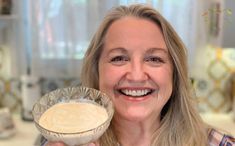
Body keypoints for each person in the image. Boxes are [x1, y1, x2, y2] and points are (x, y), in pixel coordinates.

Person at [46, 4, 235, 146]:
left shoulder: (219, 143)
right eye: (119, 58)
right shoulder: (61, 142)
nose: (136, 76)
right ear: (97, 71)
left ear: (175, 74)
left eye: (154, 59)